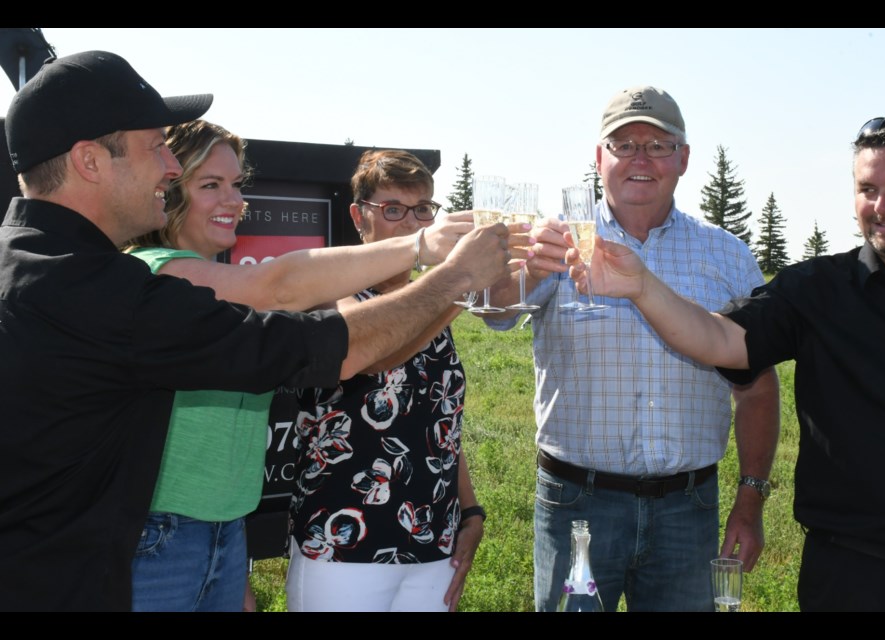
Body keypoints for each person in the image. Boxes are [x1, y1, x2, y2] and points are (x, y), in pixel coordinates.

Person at [0, 50, 511, 611]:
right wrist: (453, 274)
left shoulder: (41, 264)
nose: (168, 167)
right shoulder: (107, 292)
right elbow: (291, 307)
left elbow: (282, 285)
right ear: (89, 160)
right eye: (156, 147)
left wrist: (424, 253)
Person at [571, 113, 885, 611]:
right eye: (867, 189)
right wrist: (642, 286)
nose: (880, 206)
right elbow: (720, 339)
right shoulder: (817, 290)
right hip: (857, 579)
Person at [119, 121, 479, 612]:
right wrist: (440, 264)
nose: (232, 200)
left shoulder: (225, 284)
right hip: (159, 533)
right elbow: (298, 302)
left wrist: (230, 558)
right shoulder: (154, 271)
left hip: (221, 532)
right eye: (210, 185)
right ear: (168, 189)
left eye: (236, 184)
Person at [485, 85, 780, 611]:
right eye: (623, 144)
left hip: (688, 508)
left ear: (683, 159)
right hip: (577, 503)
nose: (640, 158)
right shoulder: (556, 243)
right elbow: (498, 311)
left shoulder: (728, 256)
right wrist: (528, 268)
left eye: (658, 145)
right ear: (598, 158)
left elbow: (757, 387)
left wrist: (751, 497)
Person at [285, 150, 487, 612]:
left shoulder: (431, 300)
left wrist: (470, 512)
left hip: (433, 543)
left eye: (422, 210)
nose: (411, 225)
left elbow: (439, 425)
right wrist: (461, 286)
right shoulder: (328, 290)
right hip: (342, 547)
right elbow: (371, 355)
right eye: (392, 209)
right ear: (359, 216)